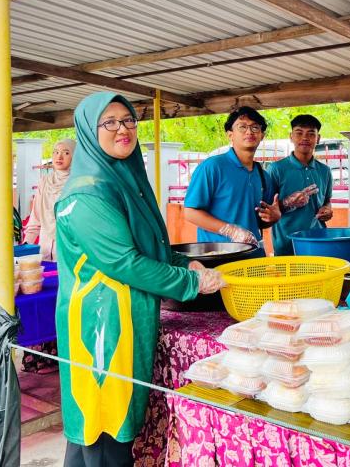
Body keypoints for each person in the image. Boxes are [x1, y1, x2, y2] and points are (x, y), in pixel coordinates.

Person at [54, 92, 223, 466]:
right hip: (101, 326)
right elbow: (124, 262)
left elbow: (149, 245)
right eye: (110, 122)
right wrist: (192, 283)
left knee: (95, 439)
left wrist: (188, 264)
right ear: (88, 131)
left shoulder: (123, 180)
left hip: (126, 316)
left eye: (128, 120)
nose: (123, 129)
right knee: (104, 430)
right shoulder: (87, 193)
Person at [183, 107, 280, 256]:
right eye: (242, 127)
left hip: (253, 257)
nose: (249, 132)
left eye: (255, 127)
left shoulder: (263, 176)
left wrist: (274, 217)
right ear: (230, 135)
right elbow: (190, 212)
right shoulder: (213, 167)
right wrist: (230, 230)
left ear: (262, 135)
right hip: (218, 257)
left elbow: (261, 221)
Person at [267, 114, 333, 256]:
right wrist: (287, 202)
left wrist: (327, 209)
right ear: (291, 137)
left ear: (318, 138)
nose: (305, 138)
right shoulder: (276, 169)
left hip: (317, 241)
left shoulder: (325, 171)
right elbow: (266, 208)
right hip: (286, 244)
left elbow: (327, 200)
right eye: (299, 133)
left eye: (311, 134)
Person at [23, 139, 76, 261]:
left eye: (66, 153)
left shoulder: (78, 183)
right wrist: (27, 244)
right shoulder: (45, 181)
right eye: (56, 152)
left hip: (69, 249)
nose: (59, 157)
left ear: (75, 156)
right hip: (45, 248)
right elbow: (36, 216)